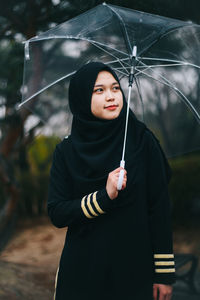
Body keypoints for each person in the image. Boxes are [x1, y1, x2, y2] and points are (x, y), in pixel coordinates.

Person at [47, 62, 176, 300]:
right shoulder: (66, 151)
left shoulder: (142, 141)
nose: (111, 97)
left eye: (115, 88)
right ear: (81, 97)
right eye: (99, 90)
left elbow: (159, 209)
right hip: (83, 273)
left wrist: (164, 274)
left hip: (133, 272)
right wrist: (103, 197)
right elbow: (57, 212)